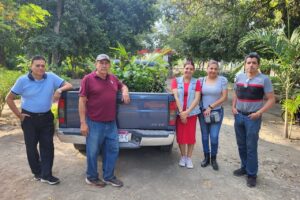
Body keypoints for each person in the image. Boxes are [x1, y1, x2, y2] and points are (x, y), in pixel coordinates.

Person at [5, 55, 73, 185]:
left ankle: (46, 175)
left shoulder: (51, 77)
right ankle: (37, 172)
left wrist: (59, 89)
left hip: (46, 117)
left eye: (43, 65)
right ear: (31, 66)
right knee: (31, 147)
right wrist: (19, 115)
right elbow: (9, 98)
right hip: (29, 119)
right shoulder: (22, 80)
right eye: (37, 65)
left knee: (47, 146)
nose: (41, 68)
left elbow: (69, 85)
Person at [79, 54, 130, 188]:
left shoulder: (113, 78)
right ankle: (91, 177)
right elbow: (82, 101)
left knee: (113, 150)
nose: (104, 65)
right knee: (92, 151)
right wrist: (83, 123)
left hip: (111, 123)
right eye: (101, 63)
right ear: (96, 64)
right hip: (94, 123)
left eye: (106, 63)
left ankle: (109, 177)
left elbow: (122, 85)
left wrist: (125, 91)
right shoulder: (88, 79)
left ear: (109, 65)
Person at [232, 52, 275, 187]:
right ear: (245, 64)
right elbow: (235, 93)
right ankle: (244, 167)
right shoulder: (239, 76)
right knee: (241, 145)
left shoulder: (264, 79)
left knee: (251, 146)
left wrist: (259, 112)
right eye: (248, 62)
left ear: (258, 65)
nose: (251, 65)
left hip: (253, 118)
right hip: (238, 115)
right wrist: (233, 107)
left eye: (254, 63)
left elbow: (271, 99)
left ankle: (252, 174)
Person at [198, 60, 228, 171]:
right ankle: (206, 157)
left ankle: (214, 159)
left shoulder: (222, 80)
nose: (213, 70)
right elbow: (197, 95)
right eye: (211, 68)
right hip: (203, 113)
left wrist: (210, 107)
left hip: (216, 112)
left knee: (214, 137)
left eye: (215, 69)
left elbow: (224, 97)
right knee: (205, 136)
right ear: (207, 69)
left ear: (218, 70)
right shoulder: (201, 80)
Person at [171, 60, 201, 169]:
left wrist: (187, 112)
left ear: (193, 71)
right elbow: (176, 97)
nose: (188, 70)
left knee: (190, 137)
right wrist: (181, 113)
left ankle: (189, 158)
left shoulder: (197, 82)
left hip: (192, 114)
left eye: (191, 69)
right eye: (186, 68)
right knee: (181, 136)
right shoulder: (175, 81)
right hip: (179, 114)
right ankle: (183, 156)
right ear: (183, 69)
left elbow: (197, 98)